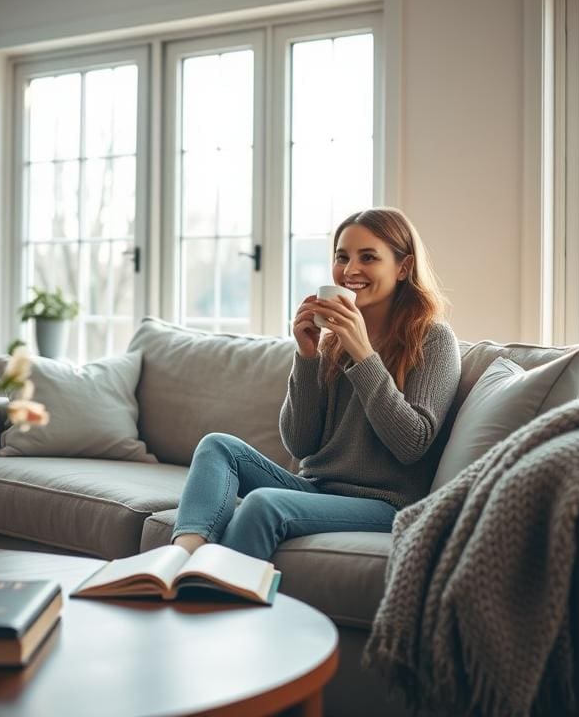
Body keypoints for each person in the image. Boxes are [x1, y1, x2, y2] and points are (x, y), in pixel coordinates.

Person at [171, 208, 461, 561]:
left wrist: (364, 355)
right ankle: (180, 560)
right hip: (315, 488)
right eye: (342, 257)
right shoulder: (333, 340)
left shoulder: (432, 339)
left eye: (368, 257)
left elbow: (411, 444)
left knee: (264, 504)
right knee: (218, 447)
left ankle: (216, 601)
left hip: (385, 505)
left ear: (403, 267)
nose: (350, 270)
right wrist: (307, 357)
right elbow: (301, 443)